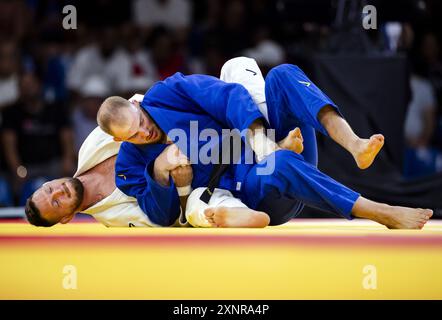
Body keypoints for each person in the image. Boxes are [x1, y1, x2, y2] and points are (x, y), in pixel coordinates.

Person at [98, 57, 433, 229]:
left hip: (263, 151)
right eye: (134, 135)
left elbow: (227, 94)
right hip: (257, 194)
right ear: (119, 139)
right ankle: (381, 212)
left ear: (137, 104)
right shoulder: (129, 165)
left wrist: (257, 135)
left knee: (283, 74)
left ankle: (354, 144)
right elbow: (162, 216)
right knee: (280, 163)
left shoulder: (167, 94)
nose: (145, 133)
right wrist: (158, 170)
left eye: (140, 121)